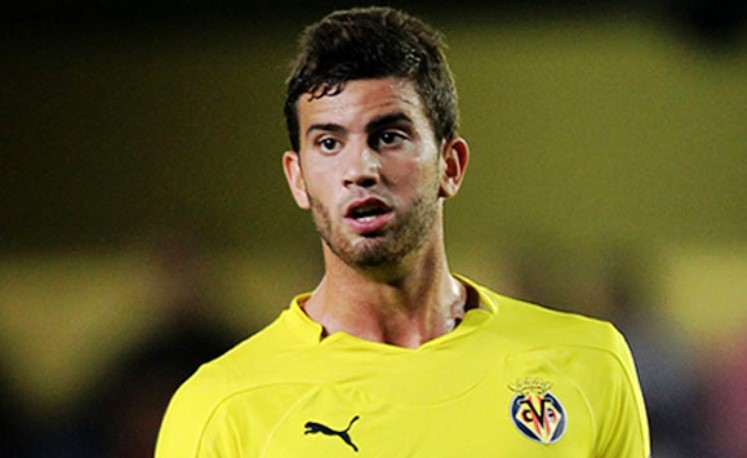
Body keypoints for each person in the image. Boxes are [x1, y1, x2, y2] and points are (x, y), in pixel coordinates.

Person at [156, 6, 650, 457]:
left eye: (389, 136)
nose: (360, 169)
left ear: (450, 166)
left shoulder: (588, 363)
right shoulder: (222, 407)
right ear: (297, 178)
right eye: (329, 143)